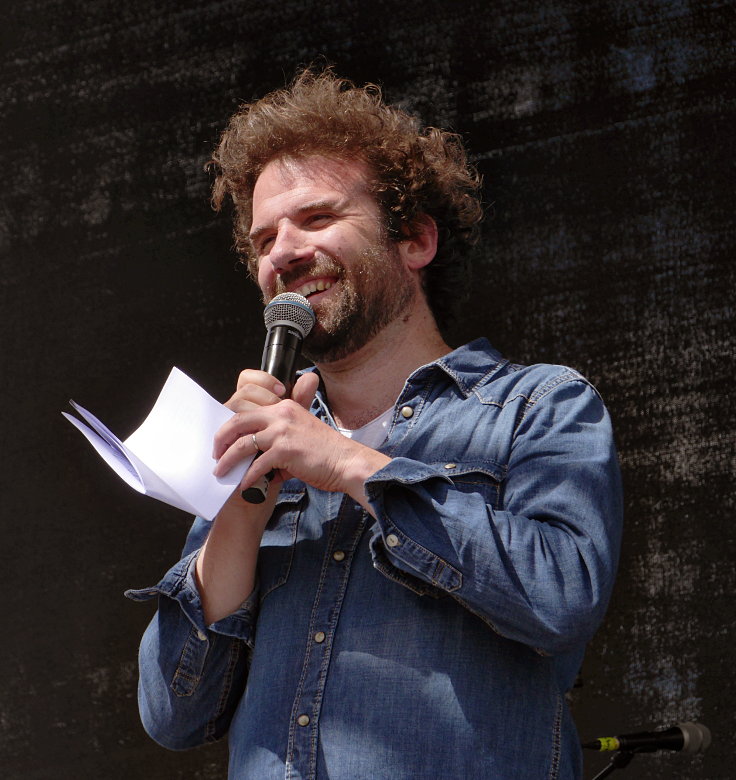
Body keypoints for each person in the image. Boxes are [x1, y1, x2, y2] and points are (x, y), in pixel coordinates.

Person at [127, 69, 623, 779]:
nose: (284, 253)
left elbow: (563, 600)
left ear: (415, 240)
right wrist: (237, 502)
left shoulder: (540, 405)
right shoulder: (268, 441)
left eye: (318, 218)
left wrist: (354, 466)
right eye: (264, 238)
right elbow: (174, 714)